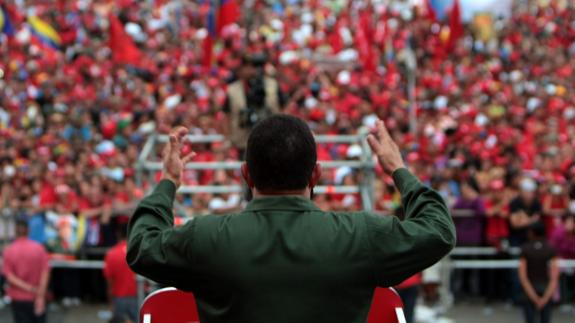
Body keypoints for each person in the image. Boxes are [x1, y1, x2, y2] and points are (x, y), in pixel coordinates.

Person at [127, 116, 455, 322]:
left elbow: (142, 245)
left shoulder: (206, 236)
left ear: (246, 175)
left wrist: (168, 181)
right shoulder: (360, 235)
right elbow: (439, 230)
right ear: (316, 175)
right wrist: (398, 169)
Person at [2, 219, 50, 323]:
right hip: (38, 296)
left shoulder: (9, 251)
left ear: (15, 232)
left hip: (19, 297)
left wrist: (29, 288)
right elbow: (45, 272)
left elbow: (9, 276)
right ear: (28, 230)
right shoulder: (39, 248)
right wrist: (40, 295)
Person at [519, 222, 560, 323]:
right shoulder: (550, 248)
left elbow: (523, 276)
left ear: (531, 232)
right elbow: (554, 276)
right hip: (546, 288)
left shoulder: (526, 248)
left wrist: (533, 296)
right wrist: (546, 297)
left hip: (529, 290)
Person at [104, 222, 138, 323]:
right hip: (137, 296)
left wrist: (110, 302)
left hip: (118, 298)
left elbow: (109, 282)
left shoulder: (111, 253)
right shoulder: (138, 251)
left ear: (118, 234)